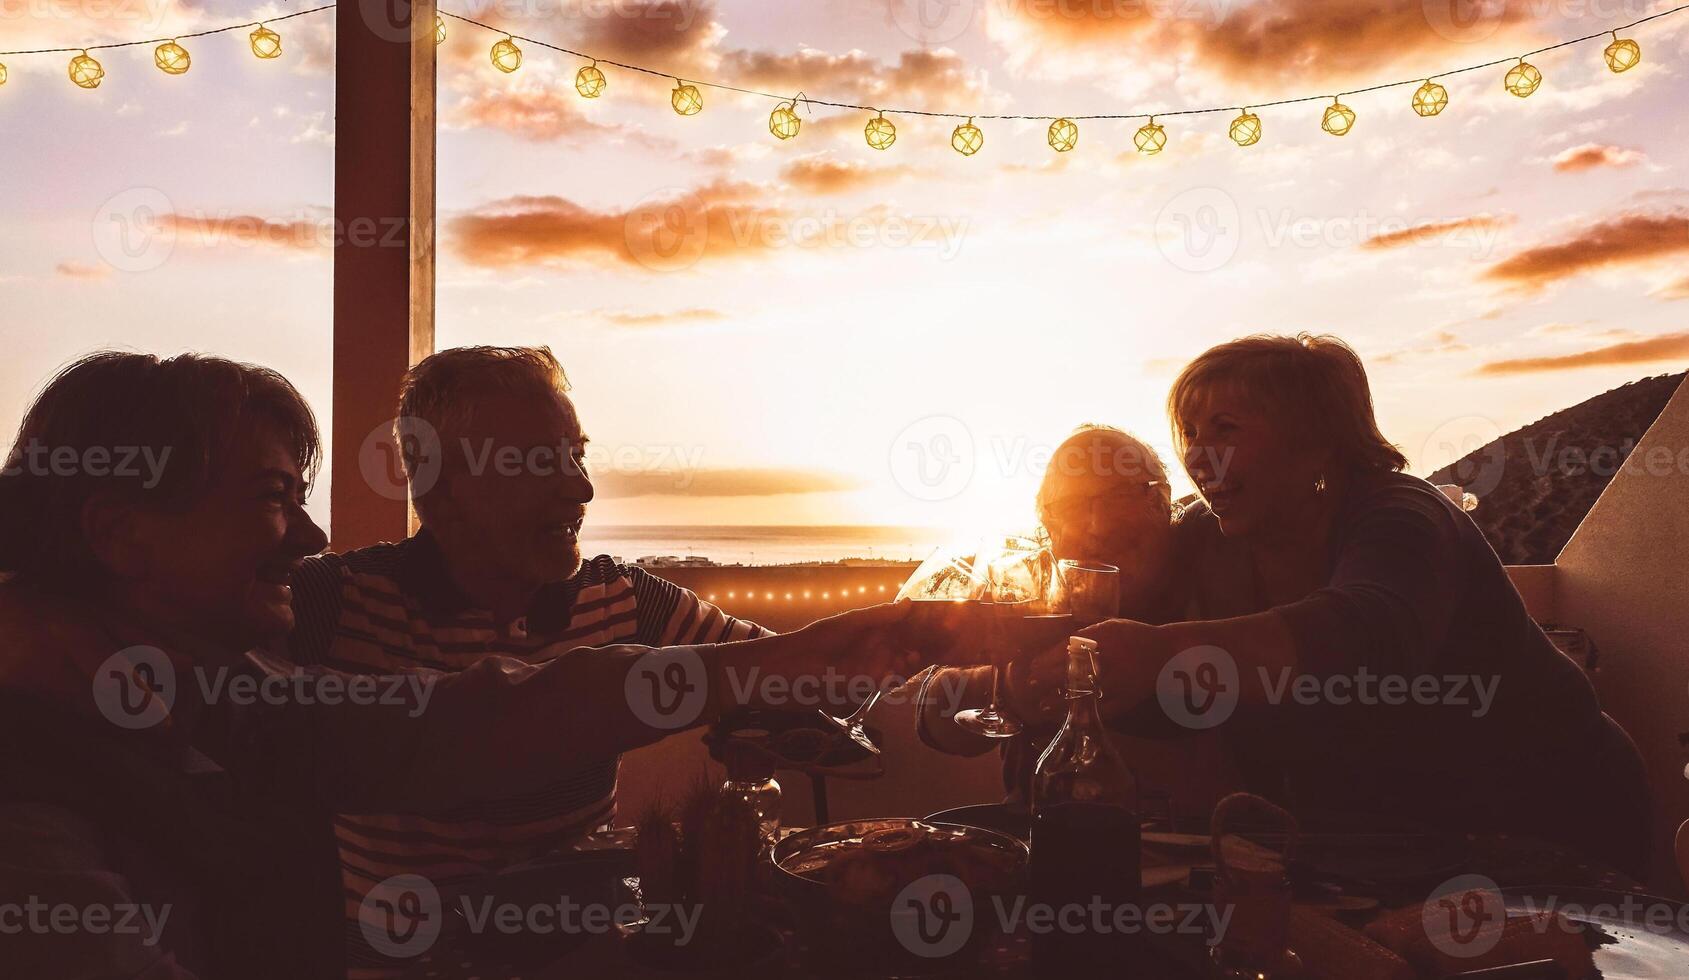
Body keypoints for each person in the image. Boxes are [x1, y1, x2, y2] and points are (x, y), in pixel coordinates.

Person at [0, 351, 987, 978]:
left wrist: (936, 652)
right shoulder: (324, 612)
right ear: (446, 489)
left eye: (578, 453)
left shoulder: (240, 704)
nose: (308, 531)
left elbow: (483, 719)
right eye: (272, 496)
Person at [1061, 334, 1649, 874]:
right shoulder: (1209, 534)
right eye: (1190, 434)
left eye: (1225, 429)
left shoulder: (1400, 516)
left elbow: (1372, 636)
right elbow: (1163, 671)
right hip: (1390, 842)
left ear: (1315, 442)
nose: (1197, 456)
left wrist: (1156, 652)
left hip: (1549, 819)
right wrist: (1034, 670)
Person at [916, 425, 1252, 814]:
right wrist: (1010, 688)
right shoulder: (1027, 598)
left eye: (1120, 497)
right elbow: (932, 716)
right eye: (1073, 507)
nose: (1097, 526)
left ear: (1162, 501)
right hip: (1044, 848)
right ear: (1049, 526)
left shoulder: (1219, 585)